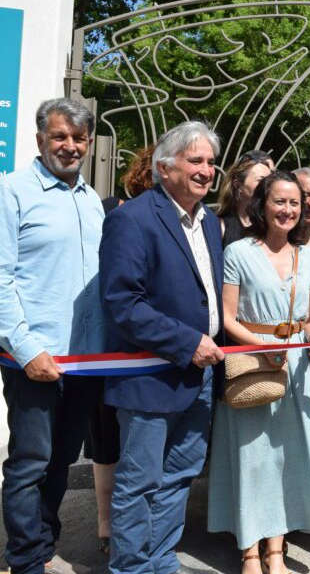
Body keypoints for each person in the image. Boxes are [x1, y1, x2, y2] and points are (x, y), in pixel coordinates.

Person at [99, 120, 226, 574]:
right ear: (165, 167)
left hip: (200, 375)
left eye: (211, 162)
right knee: (140, 482)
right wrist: (188, 342)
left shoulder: (209, 223)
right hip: (149, 376)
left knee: (181, 474)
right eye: (196, 160)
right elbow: (122, 302)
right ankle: (131, 567)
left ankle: (160, 561)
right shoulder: (131, 219)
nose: (206, 170)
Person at [0, 98, 104, 574]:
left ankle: (42, 544)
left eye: (79, 138)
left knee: (61, 459)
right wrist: (26, 350)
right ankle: (25, 560)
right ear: (40, 138)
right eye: (60, 136)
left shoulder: (90, 199)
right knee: (30, 462)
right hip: (32, 358)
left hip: (83, 361)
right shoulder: (12, 192)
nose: (70, 146)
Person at [207, 171, 310, 574]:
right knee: (252, 459)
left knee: (286, 458)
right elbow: (227, 318)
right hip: (252, 363)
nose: (288, 210)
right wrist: (262, 346)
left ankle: (276, 549)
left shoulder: (309, 257)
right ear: (263, 204)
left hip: (295, 366)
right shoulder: (238, 252)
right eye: (280, 201)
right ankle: (249, 550)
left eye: (294, 203)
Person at [86, 143, 156, 557]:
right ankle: (105, 524)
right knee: (106, 435)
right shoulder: (112, 210)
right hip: (113, 346)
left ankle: (139, 526)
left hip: (154, 352)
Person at [217, 151, 273, 247]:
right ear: (238, 185)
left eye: (269, 181)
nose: (267, 186)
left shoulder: (272, 224)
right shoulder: (221, 226)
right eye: (261, 180)